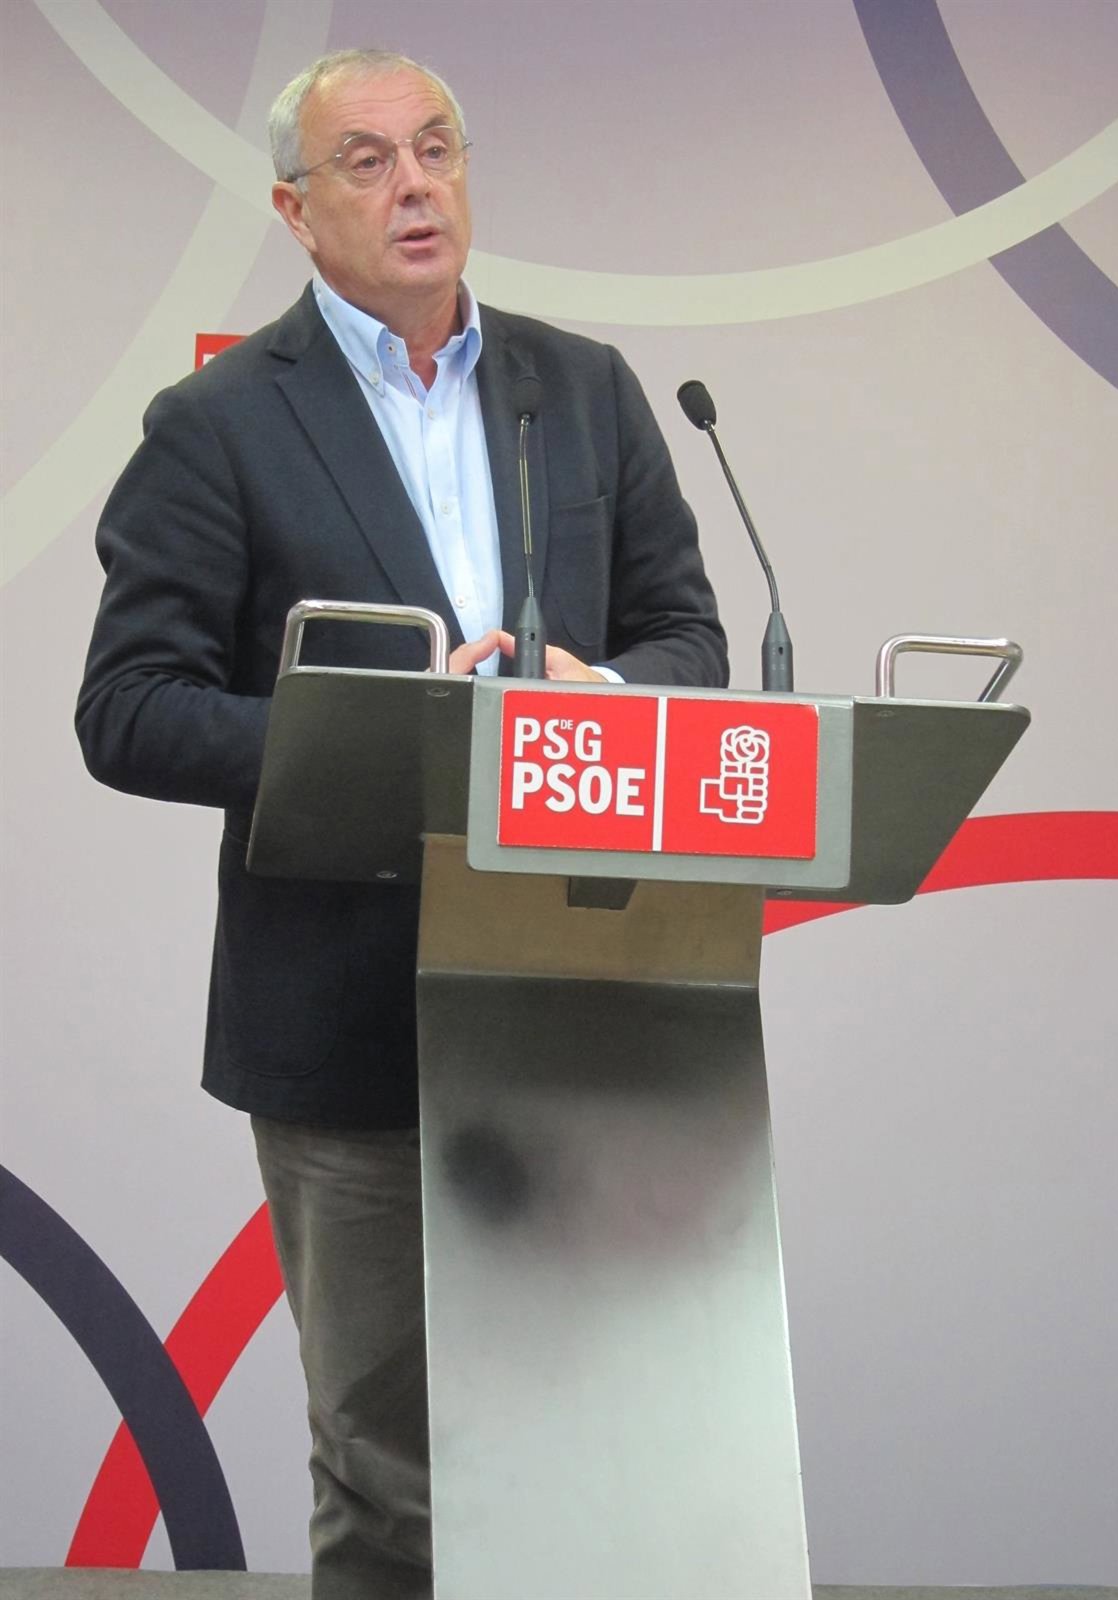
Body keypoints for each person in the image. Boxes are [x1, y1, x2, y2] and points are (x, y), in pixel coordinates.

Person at [76, 47, 727, 1600]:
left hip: (584, 998)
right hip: (345, 1002)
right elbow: (131, 707)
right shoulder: (219, 423)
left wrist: (598, 690)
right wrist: (372, 736)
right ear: (296, 212)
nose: (415, 184)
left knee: (589, 1442)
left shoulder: (582, 390)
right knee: (386, 1466)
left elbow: (690, 644)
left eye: (436, 148)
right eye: (366, 162)